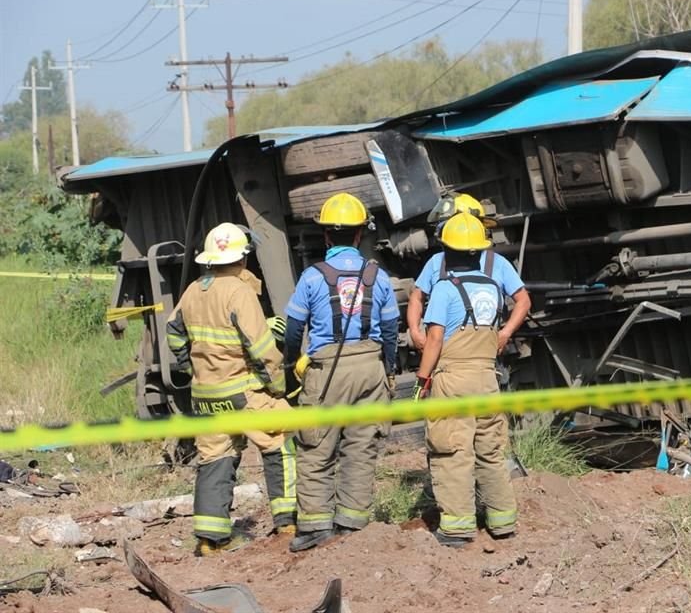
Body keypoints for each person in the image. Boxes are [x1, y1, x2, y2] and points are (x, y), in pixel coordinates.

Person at [166, 222, 296, 556]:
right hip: (244, 390)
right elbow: (261, 347)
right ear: (243, 258)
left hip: (206, 395)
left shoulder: (194, 289)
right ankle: (289, 521)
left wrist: (192, 366)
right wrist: (277, 386)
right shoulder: (240, 292)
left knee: (215, 458)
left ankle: (211, 540)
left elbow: (174, 333)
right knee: (280, 440)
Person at [284, 192, 399, 552]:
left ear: (327, 237)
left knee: (316, 445)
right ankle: (352, 522)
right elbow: (392, 330)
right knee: (361, 446)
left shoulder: (312, 277)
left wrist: (291, 367)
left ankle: (316, 526)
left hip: (327, 369)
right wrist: (388, 369)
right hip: (370, 366)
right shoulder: (378, 277)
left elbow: (292, 329)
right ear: (359, 235)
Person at [415, 212, 518, 548]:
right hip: (487, 377)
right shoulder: (492, 287)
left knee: (451, 450)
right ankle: (502, 520)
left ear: (448, 251)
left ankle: (458, 527)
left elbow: (434, 339)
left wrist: (423, 377)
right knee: (490, 449)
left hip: (453, 378)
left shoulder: (445, 289)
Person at [407, 193, 531, 355]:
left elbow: (523, 301)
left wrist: (505, 333)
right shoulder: (436, 262)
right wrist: (415, 332)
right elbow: (416, 298)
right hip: (445, 352)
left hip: (485, 354)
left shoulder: (497, 263)